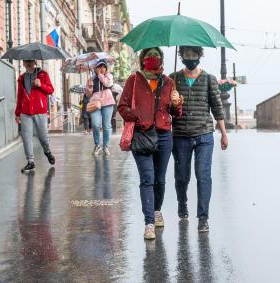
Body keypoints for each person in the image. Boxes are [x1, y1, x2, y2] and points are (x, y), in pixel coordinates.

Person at [118, 47, 182, 240]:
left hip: (163, 136)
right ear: (143, 60)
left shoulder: (169, 82)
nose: (152, 59)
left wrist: (176, 104)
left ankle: (156, 210)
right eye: (148, 57)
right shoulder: (134, 80)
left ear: (161, 60)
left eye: (156, 57)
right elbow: (122, 106)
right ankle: (148, 223)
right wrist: (137, 118)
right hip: (142, 135)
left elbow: (176, 114)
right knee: (147, 178)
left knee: (159, 179)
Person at [170, 46, 229, 232]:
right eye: (186, 55)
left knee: (203, 176)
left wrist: (224, 133)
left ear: (199, 56)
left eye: (193, 54)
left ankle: (203, 217)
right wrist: (171, 101)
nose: (190, 58)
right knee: (182, 177)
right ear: (181, 56)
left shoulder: (209, 79)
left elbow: (217, 108)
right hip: (180, 136)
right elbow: (166, 109)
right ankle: (182, 204)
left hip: (204, 135)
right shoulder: (173, 79)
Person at [15, 60, 55, 173]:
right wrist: (17, 113)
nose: (28, 63)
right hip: (25, 112)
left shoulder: (43, 75)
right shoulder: (21, 78)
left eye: (30, 61)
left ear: (34, 62)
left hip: (40, 111)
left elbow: (51, 90)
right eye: (26, 61)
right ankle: (30, 162)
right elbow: (20, 96)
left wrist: (40, 84)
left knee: (43, 137)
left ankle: (47, 151)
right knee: (26, 137)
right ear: (23, 63)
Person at [86, 59, 115, 155]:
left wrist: (100, 75)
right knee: (95, 124)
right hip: (95, 104)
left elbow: (107, 84)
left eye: (103, 67)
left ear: (106, 68)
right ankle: (97, 144)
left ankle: (105, 146)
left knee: (106, 126)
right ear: (96, 68)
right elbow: (89, 94)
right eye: (99, 67)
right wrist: (89, 87)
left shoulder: (109, 76)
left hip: (107, 103)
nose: (102, 69)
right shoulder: (92, 78)